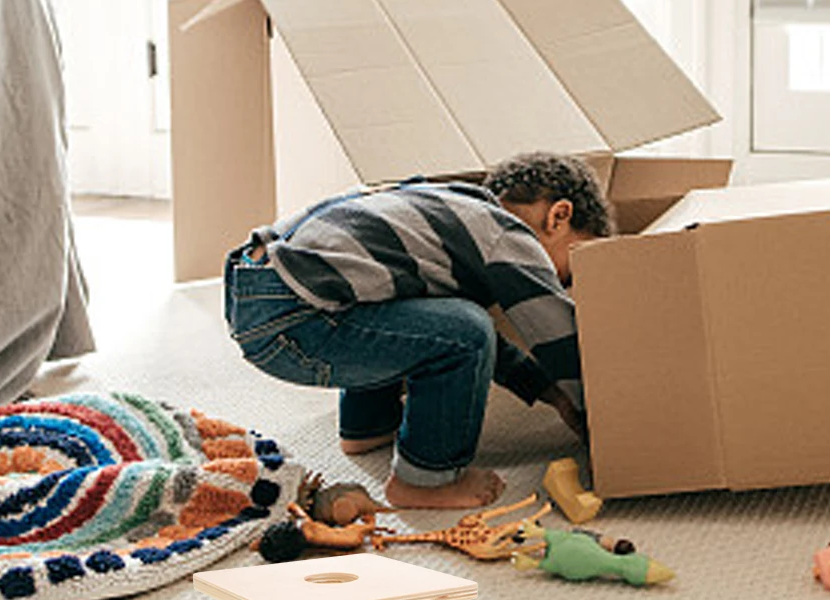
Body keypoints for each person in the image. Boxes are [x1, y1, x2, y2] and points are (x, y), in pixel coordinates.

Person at [222, 151, 613, 510]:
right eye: (572, 268)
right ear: (558, 217)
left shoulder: (449, 211)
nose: (561, 284)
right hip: (295, 312)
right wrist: (602, 417)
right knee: (466, 332)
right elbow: (556, 337)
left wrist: (549, 393)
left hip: (261, 291)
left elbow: (469, 339)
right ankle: (425, 479)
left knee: (423, 315)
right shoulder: (507, 234)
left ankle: (368, 425)